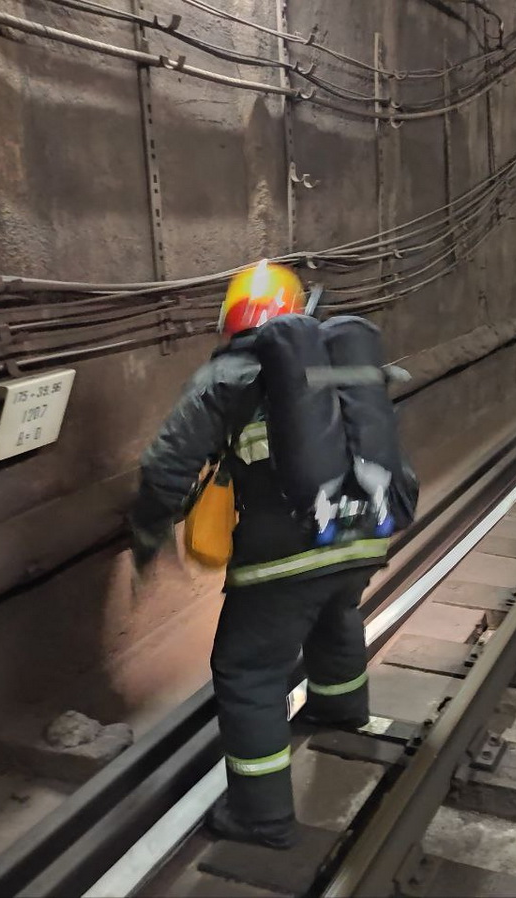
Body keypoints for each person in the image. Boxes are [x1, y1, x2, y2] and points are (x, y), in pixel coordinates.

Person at [129, 262, 393, 850]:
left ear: (231, 319)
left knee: (248, 671)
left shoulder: (225, 375)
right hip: (365, 530)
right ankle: (340, 710)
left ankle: (261, 817)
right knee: (333, 611)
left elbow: (164, 466)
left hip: (286, 549)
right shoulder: (335, 363)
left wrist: (148, 537)